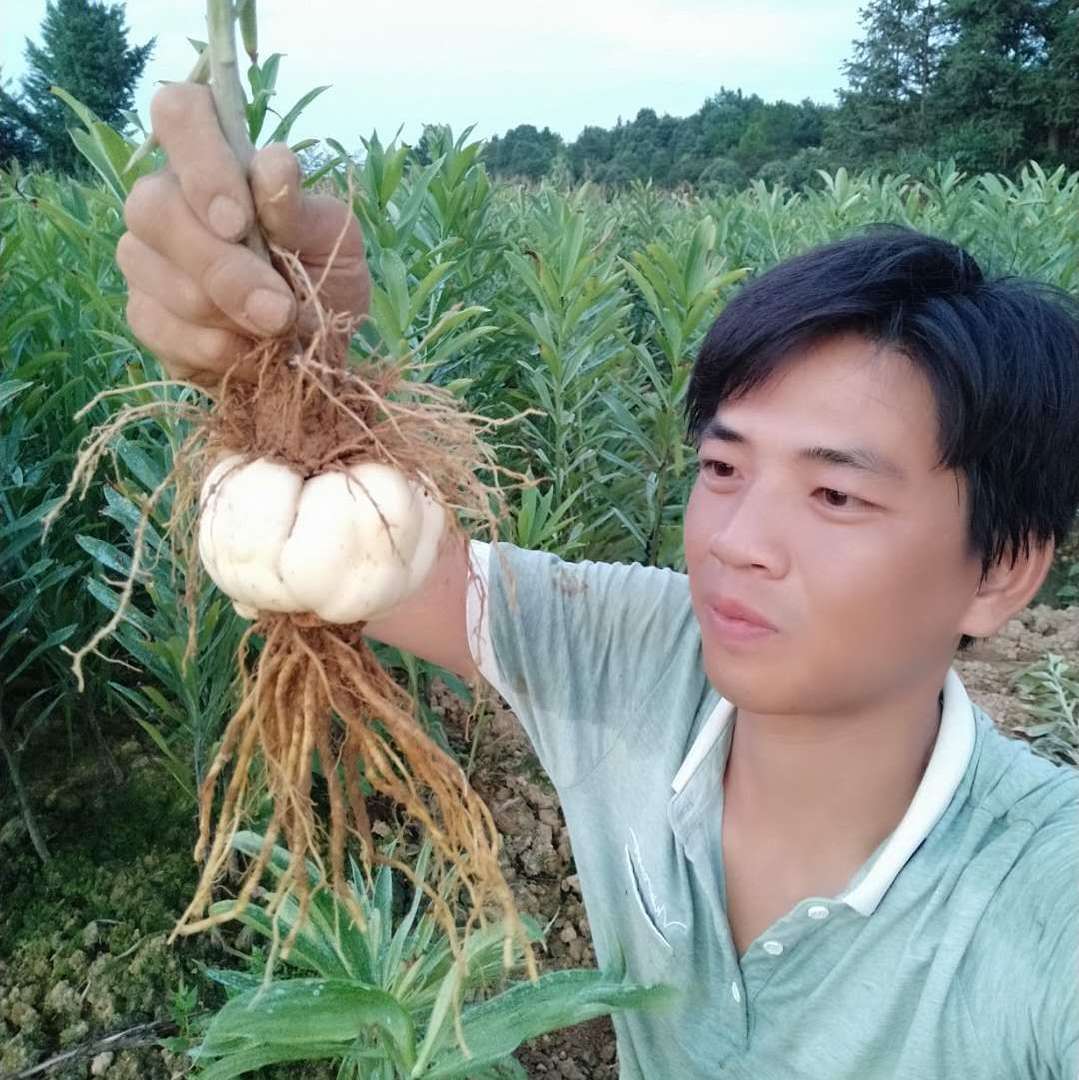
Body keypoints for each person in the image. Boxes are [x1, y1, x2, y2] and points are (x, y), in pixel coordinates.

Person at [119, 83, 1079, 1080]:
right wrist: (293, 369)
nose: (734, 542)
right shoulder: (639, 650)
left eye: (834, 496)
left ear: (1001, 570)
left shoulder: (1047, 902)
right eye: (721, 468)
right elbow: (353, 564)